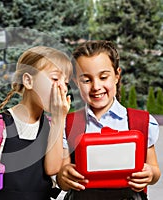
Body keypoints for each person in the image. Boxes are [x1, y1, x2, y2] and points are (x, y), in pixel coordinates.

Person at [56, 40, 161, 200]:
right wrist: (64, 176)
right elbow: (62, 178)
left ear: (117, 76)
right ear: (76, 82)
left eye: (103, 77)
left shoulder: (141, 122)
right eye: (86, 80)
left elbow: (154, 170)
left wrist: (150, 173)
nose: (96, 86)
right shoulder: (68, 124)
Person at [0, 46, 73, 200]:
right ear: (28, 81)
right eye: (55, 79)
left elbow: (52, 169)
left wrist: (58, 119)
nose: (62, 88)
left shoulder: (55, 126)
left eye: (66, 82)